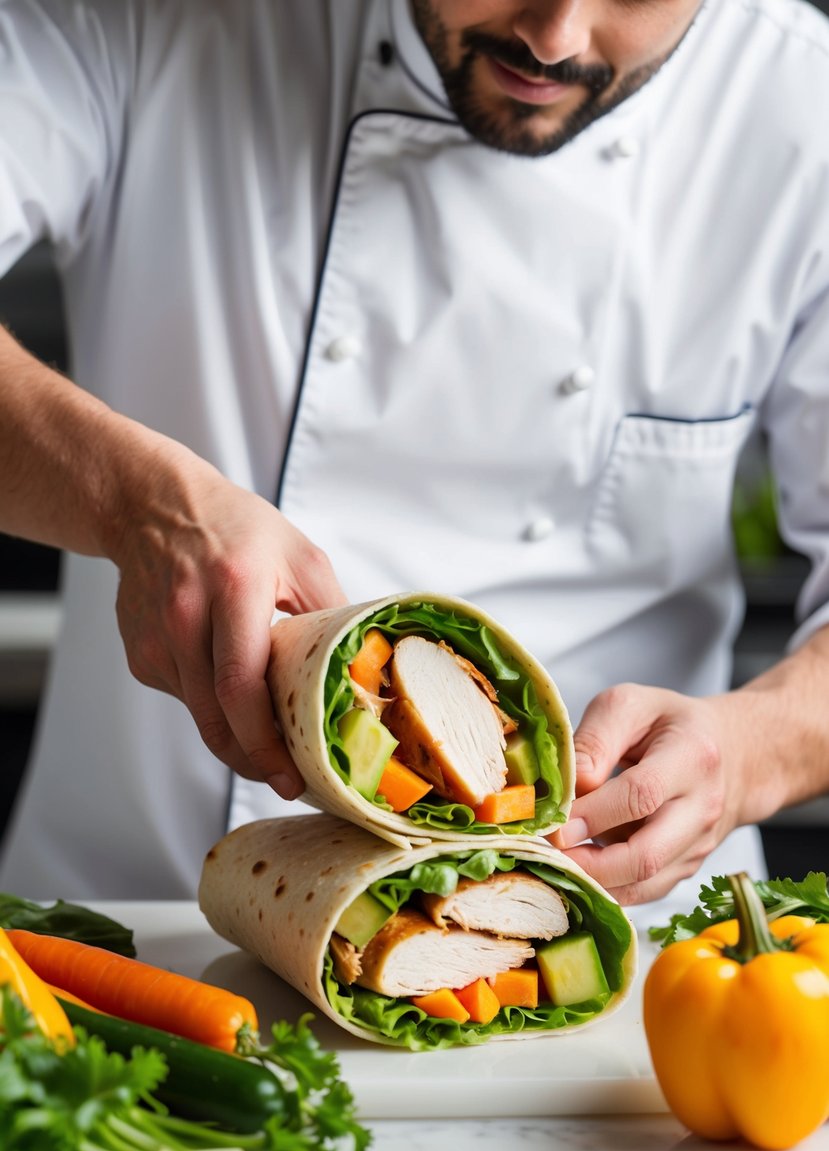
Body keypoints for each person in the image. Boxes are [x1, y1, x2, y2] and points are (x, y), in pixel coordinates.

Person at [1, 0, 828, 917]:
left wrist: (751, 752)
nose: (554, 38)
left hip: (629, 957)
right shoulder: (156, 21)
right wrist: (135, 500)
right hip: (131, 929)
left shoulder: (799, 102)